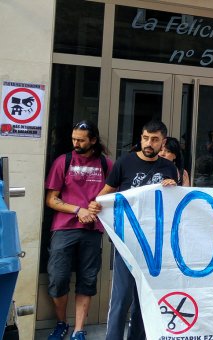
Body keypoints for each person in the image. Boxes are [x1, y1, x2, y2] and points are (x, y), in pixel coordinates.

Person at [88, 120, 178, 340]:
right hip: (126, 241)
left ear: (163, 142)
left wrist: (174, 189)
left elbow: (174, 204)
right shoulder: (124, 163)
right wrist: (95, 204)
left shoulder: (168, 168)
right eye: (146, 137)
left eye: (155, 139)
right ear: (141, 137)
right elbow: (105, 194)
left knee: (145, 296)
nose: (149, 143)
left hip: (155, 245)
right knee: (122, 296)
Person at [44, 121, 113, 340]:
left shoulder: (105, 164)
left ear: (93, 140)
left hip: (93, 230)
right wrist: (78, 210)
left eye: (81, 140)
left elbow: (113, 196)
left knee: (87, 279)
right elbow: (51, 200)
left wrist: (99, 206)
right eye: (74, 138)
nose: (76, 143)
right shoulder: (63, 161)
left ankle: (79, 329)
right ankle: (62, 323)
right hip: (64, 228)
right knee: (57, 278)